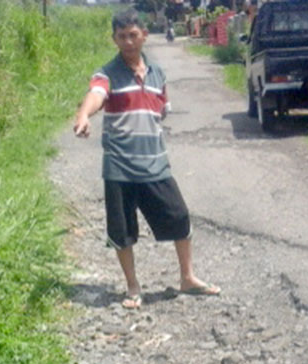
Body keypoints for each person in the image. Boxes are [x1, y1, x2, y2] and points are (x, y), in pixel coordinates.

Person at [73, 9, 219, 310]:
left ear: (144, 35)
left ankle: (187, 278)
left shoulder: (158, 75)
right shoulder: (106, 74)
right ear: (114, 39)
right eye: (122, 36)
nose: (128, 41)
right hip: (120, 168)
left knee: (179, 217)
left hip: (155, 163)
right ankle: (132, 287)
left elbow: (159, 110)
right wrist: (83, 115)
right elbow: (96, 94)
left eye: (133, 35)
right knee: (122, 231)